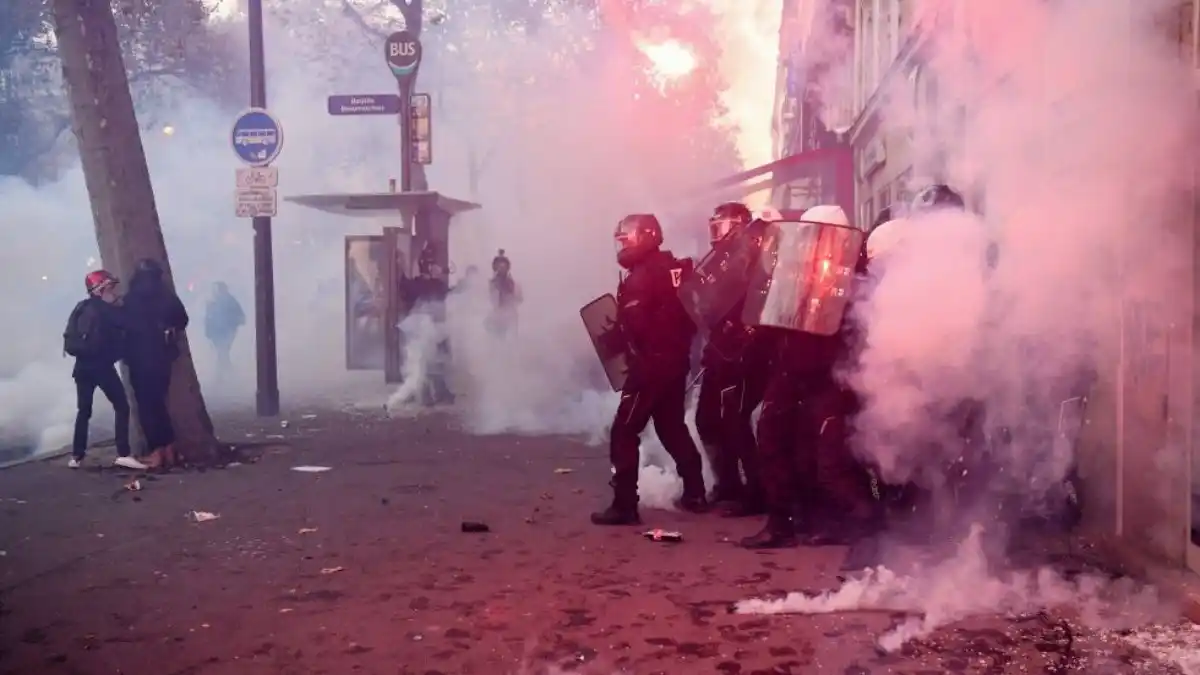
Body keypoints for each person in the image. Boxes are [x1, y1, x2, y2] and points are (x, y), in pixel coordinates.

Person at [741, 205, 877, 549]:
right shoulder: (802, 273)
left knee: (825, 457)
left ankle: (863, 526)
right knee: (775, 442)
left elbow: (854, 337)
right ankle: (784, 523)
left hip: (828, 376)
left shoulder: (852, 282)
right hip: (791, 370)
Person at [592, 213, 708, 526]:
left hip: (650, 367)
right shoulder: (673, 268)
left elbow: (637, 325)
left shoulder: (642, 276)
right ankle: (695, 493)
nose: (623, 246)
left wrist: (615, 340)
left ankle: (624, 506)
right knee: (671, 427)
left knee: (624, 431)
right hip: (676, 362)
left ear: (646, 236)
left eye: (627, 239)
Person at [692, 202, 768, 517]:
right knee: (706, 419)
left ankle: (756, 492)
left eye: (721, 227)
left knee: (735, 422)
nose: (716, 235)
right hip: (718, 353)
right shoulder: (721, 262)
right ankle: (727, 484)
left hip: (742, 355)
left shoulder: (754, 258)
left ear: (738, 227)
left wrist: (745, 337)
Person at [64, 270, 148, 470]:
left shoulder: (81, 307)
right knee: (121, 406)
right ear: (100, 290)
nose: (114, 292)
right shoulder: (105, 309)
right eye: (111, 288)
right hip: (101, 367)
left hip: (81, 367)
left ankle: (76, 456)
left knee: (84, 410)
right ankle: (123, 454)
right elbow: (128, 323)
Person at [122, 258, 189, 470]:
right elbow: (183, 320)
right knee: (159, 405)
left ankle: (157, 453)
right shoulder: (166, 297)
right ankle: (170, 450)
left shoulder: (130, 299)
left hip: (139, 359)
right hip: (162, 358)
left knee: (148, 409)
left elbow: (123, 328)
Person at [204, 282, 245, 380]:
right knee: (223, 354)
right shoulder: (213, 302)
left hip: (227, 332)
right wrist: (208, 331)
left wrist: (231, 323)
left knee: (222, 353)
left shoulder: (230, 301)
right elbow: (208, 318)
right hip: (217, 333)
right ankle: (230, 375)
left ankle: (221, 377)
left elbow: (241, 317)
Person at [487, 249, 522, 337]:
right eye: (499, 266)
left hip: (509, 313)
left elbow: (519, 298)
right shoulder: (492, 283)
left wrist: (513, 299)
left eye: (504, 267)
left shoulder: (512, 283)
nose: (502, 268)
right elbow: (487, 298)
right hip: (496, 313)